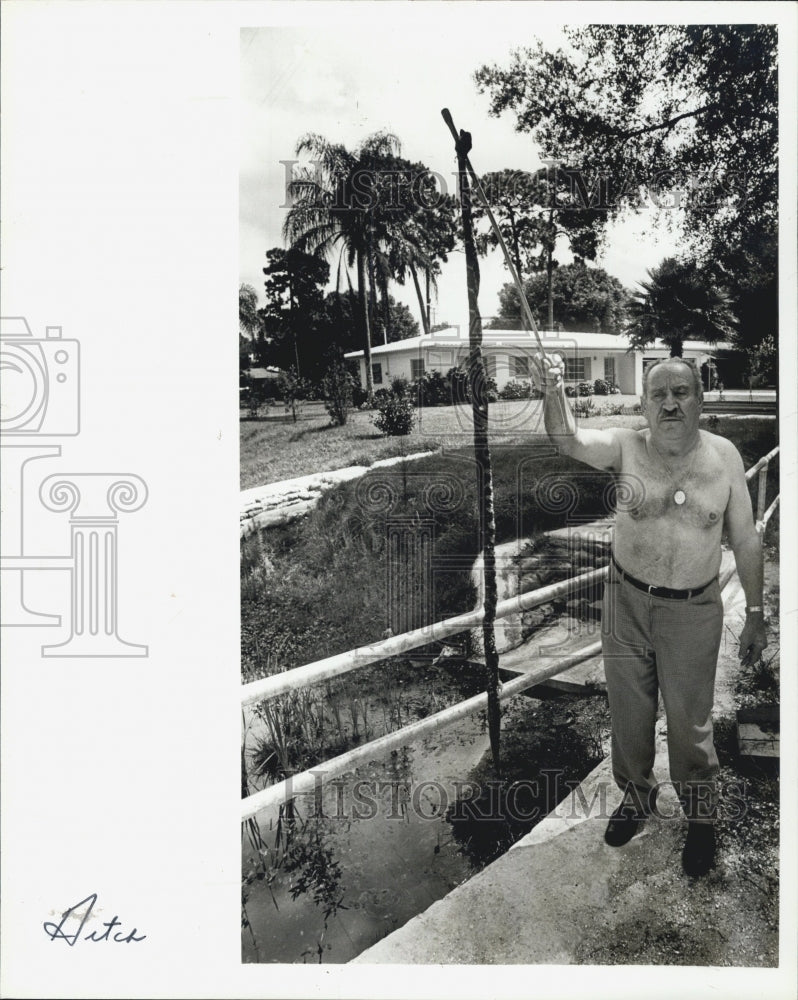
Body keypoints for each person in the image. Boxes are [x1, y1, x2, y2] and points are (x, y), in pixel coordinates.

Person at [531, 354, 768, 876]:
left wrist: (756, 611)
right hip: (627, 601)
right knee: (629, 713)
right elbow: (568, 439)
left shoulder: (724, 459)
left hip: (693, 610)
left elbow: (747, 538)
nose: (669, 404)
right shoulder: (625, 447)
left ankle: (700, 817)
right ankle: (636, 797)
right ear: (643, 404)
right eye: (658, 395)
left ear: (700, 401)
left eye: (681, 392)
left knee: (690, 723)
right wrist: (553, 391)